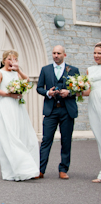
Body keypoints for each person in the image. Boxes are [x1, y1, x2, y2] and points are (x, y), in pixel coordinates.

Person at [0, 51, 40, 181]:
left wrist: (19, 70)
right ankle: (15, 170)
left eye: (15, 59)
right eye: (9, 59)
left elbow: (27, 81)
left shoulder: (16, 73)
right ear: (4, 60)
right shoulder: (0, 73)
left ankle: (29, 168)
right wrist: (9, 94)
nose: (12, 61)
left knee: (24, 134)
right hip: (6, 105)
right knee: (10, 136)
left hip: (18, 106)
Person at [36, 45, 79, 179]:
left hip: (67, 110)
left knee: (66, 141)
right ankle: (40, 169)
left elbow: (79, 89)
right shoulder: (45, 70)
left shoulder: (73, 70)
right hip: (51, 110)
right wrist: (48, 92)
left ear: (64, 55)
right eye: (54, 53)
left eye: (58, 53)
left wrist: (69, 92)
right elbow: (39, 88)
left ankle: (63, 169)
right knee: (46, 140)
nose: (56, 55)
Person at [82, 42, 101, 183]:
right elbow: (88, 91)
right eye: (94, 53)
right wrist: (76, 90)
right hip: (93, 104)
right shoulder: (89, 70)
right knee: (99, 138)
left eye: (99, 53)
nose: (96, 56)